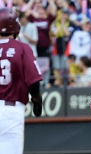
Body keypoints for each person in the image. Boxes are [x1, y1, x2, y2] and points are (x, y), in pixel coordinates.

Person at [0, 7, 42, 154]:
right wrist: (37, 102)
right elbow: (34, 81)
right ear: (15, 27)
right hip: (10, 111)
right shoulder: (21, 48)